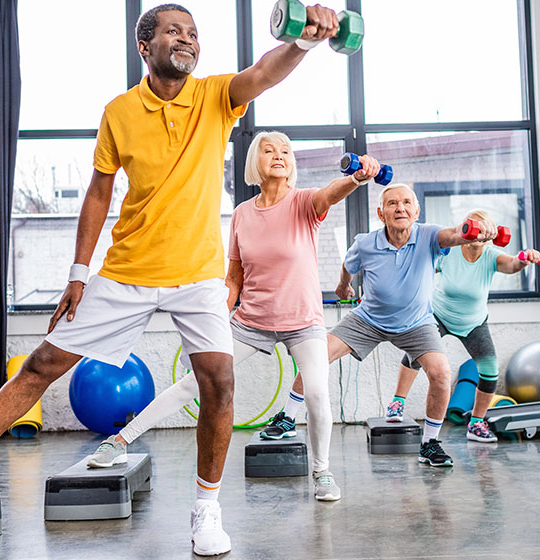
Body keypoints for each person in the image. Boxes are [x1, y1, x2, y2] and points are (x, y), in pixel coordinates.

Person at [0, 4, 342, 556]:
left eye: (194, 33)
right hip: (127, 269)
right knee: (43, 365)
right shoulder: (119, 111)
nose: (187, 40)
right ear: (144, 47)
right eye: (174, 31)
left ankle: (205, 510)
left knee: (219, 384)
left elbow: (265, 71)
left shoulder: (217, 97)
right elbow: (99, 192)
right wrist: (79, 273)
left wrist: (305, 43)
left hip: (198, 275)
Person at [86, 131, 381, 503]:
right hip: (251, 321)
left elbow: (329, 194)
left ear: (292, 163)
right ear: (254, 163)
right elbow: (234, 278)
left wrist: (355, 179)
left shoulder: (305, 203)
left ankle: (322, 471)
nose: (279, 155)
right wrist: (213, 321)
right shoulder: (242, 214)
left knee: (318, 395)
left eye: (286, 151)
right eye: (269, 150)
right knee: (194, 384)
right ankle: (120, 441)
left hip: (303, 322)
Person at [265, 184, 497, 468]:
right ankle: (288, 417)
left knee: (441, 372)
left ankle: (429, 444)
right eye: (392, 203)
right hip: (368, 319)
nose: (400, 208)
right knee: (316, 356)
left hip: (417, 323)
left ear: (417, 210)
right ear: (380, 213)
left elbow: (455, 234)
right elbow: (348, 267)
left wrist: (475, 228)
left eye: (406, 203)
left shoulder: (429, 235)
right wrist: (343, 287)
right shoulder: (365, 242)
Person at [389, 209, 540, 443]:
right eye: (475, 228)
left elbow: (512, 265)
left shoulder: (492, 256)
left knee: (489, 368)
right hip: (439, 315)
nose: (479, 234)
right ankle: (397, 403)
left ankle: (476, 424)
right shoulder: (449, 252)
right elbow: (423, 269)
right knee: (414, 355)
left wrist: (524, 259)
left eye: (485, 230)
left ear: (491, 233)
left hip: (473, 322)